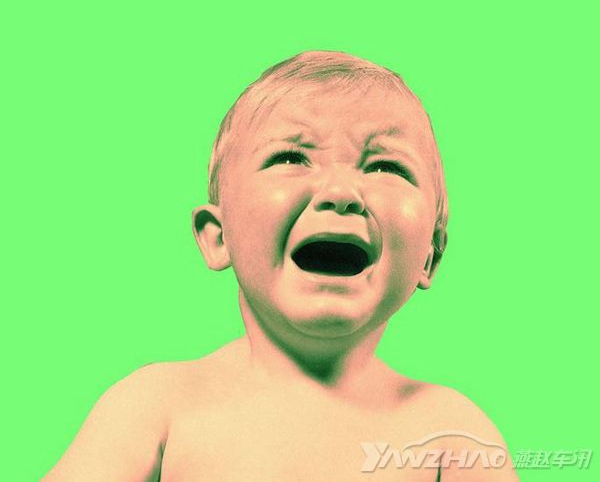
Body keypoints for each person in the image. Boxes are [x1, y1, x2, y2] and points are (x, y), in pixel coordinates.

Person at [43, 51, 519, 481]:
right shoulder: (157, 405)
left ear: (430, 254)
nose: (341, 193)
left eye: (385, 167)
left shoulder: (451, 434)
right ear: (219, 236)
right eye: (291, 157)